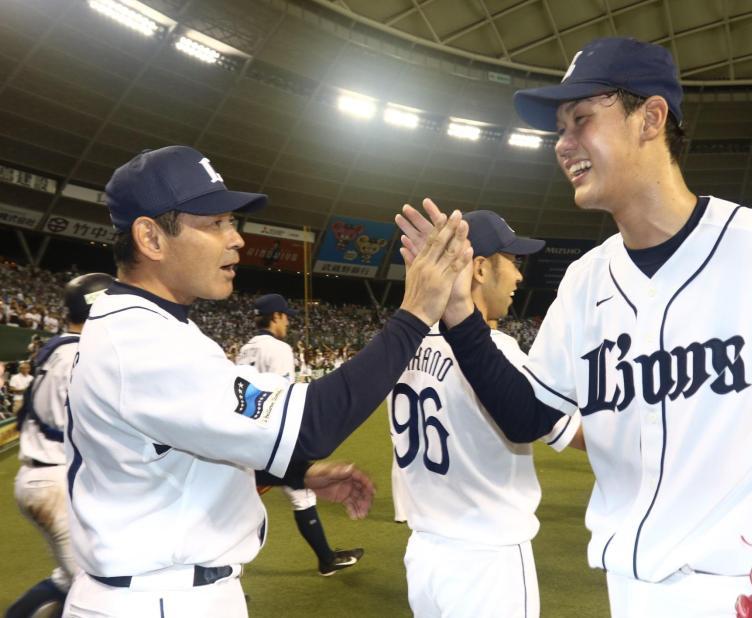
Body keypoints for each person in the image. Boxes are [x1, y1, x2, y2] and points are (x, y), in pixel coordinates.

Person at [397, 37, 752, 616]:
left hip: (749, 593)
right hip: (626, 591)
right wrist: (461, 315)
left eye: (581, 119)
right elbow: (528, 416)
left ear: (652, 117)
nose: (563, 145)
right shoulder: (586, 281)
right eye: (560, 129)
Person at [62, 145, 472, 617]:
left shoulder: (142, 325)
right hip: (159, 597)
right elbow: (311, 426)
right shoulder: (140, 338)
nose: (236, 238)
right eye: (215, 223)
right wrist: (416, 312)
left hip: (160, 590)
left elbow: (172, 457)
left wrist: (296, 473)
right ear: (151, 238)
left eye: (232, 222)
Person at [391, 210, 584, 617]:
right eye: (512, 261)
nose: (519, 277)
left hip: (424, 556)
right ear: (479, 269)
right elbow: (573, 433)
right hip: (487, 563)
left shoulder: (402, 346)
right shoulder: (498, 354)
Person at [7, 273, 115, 618]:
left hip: (42, 476)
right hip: (56, 479)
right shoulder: (78, 355)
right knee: (97, 587)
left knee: (71, 579)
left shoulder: (59, 347)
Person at [236, 293, 363, 576]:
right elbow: (279, 400)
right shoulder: (278, 349)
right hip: (267, 439)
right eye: (286, 316)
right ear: (276, 317)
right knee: (301, 495)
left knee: (252, 500)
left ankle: (326, 558)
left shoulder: (245, 349)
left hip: (242, 438)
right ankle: (326, 560)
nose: (288, 322)